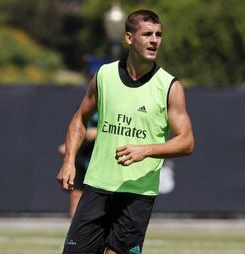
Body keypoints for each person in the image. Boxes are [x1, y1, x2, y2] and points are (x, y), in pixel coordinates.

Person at [56, 9, 194, 254]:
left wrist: (147, 150)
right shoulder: (104, 76)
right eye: (147, 34)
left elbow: (186, 142)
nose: (154, 40)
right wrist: (69, 160)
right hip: (98, 186)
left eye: (159, 35)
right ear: (129, 38)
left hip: (137, 194)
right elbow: (80, 118)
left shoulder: (169, 87)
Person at [57, 112, 98, 217]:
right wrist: (69, 152)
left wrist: (98, 132)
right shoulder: (85, 106)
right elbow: (78, 127)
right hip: (81, 158)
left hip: (99, 158)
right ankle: (74, 226)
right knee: (76, 192)